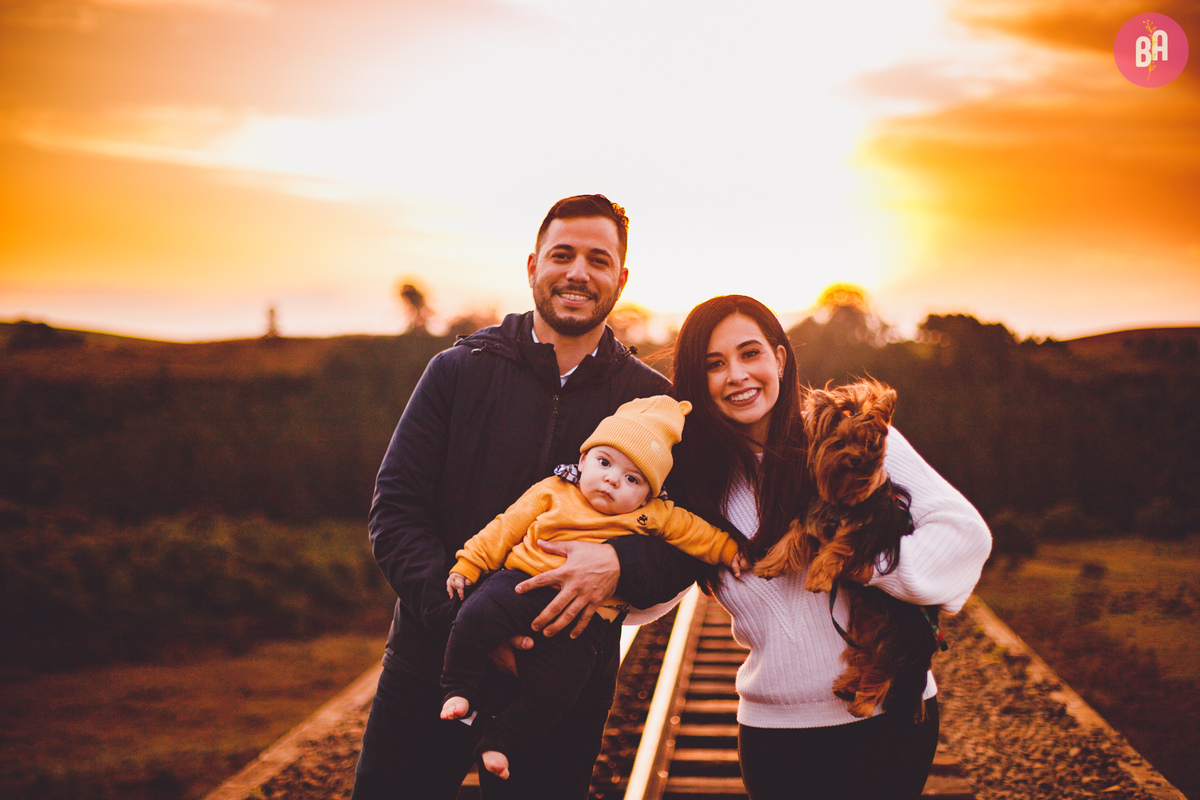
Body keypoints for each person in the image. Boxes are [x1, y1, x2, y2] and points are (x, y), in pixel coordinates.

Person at [351, 195, 700, 800]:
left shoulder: (653, 406)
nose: (577, 273)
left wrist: (620, 565)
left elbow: (683, 539)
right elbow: (396, 510)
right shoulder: (457, 371)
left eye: (598, 259)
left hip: (561, 682)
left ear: (620, 278)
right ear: (534, 264)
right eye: (562, 255)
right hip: (431, 659)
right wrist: (472, 622)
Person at [668, 295, 992, 800]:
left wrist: (857, 558)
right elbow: (652, 591)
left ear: (778, 358)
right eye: (714, 364)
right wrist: (602, 563)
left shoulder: (852, 438)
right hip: (773, 733)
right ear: (695, 380)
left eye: (749, 354)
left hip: (886, 721)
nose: (736, 375)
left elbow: (966, 536)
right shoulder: (693, 478)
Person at [441, 394, 748, 780]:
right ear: (583, 460)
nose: (612, 479)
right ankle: (458, 687)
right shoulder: (553, 489)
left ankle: (499, 740)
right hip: (520, 585)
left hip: (583, 624)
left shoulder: (652, 515)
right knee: (476, 615)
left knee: (561, 690)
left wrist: (730, 551)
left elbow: (697, 534)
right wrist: (469, 563)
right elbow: (506, 526)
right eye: (604, 463)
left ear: (648, 494)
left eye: (632, 479)